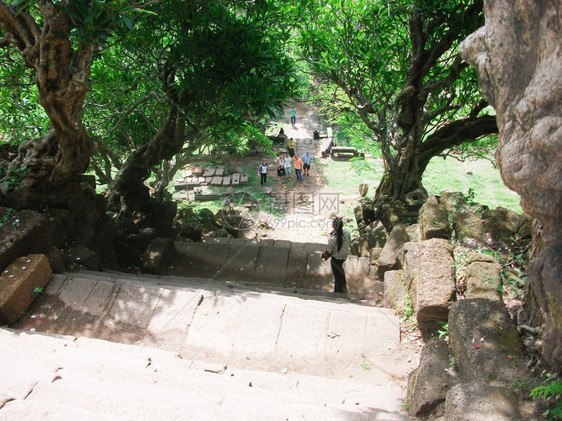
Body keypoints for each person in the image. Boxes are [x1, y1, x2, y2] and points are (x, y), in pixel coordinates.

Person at [323, 218, 351, 293]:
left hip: (336, 258)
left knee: (337, 274)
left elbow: (329, 250)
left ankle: (338, 291)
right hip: (344, 255)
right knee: (340, 269)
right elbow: (349, 241)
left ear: (334, 227)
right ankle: (343, 285)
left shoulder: (333, 239)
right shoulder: (347, 232)